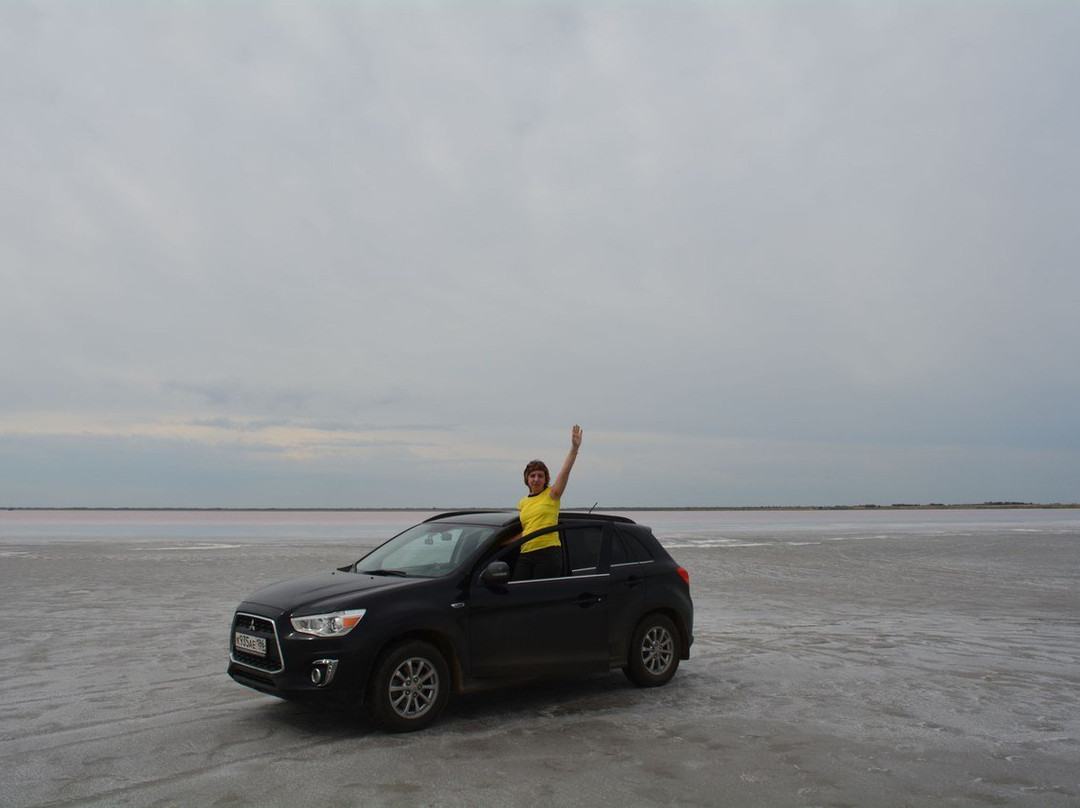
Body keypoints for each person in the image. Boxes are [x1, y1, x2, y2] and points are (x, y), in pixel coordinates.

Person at [513, 425, 583, 580]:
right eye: (532, 475)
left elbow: (565, 472)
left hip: (548, 553)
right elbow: (526, 530)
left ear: (546, 479)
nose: (536, 479)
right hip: (525, 552)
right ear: (527, 478)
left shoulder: (552, 495)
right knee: (518, 590)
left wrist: (574, 448)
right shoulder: (523, 502)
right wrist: (499, 544)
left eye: (540, 475)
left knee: (540, 593)